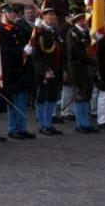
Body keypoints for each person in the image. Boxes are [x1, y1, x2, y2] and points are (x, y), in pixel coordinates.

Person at [0, 3, 35, 140]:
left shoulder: (16, 28)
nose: (13, 14)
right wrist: (22, 52)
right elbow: (5, 52)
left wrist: (36, 26)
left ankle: (22, 127)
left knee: (22, 101)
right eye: (10, 12)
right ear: (4, 13)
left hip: (21, 70)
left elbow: (28, 37)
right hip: (11, 70)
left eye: (14, 12)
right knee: (14, 102)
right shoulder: (2, 30)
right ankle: (13, 128)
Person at [27, 8, 63, 136]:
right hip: (44, 71)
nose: (52, 17)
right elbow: (36, 55)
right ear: (43, 18)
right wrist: (44, 70)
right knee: (43, 97)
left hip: (55, 69)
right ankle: (43, 124)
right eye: (49, 15)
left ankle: (49, 123)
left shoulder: (54, 32)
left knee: (53, 96)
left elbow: (59, 52)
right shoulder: (39, 33)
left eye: (54, 14)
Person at [65, 11, 99, 133]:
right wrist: (93, 60)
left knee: (87, 96)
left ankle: (86, 122)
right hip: (77, 68)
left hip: (86, 68)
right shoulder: (72, 33)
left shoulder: (86, 32)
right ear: (76, 21)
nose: (84, 20)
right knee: (80, 96)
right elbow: (76, 52)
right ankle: (81, 124)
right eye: (81, 19)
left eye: (84, 18)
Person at [96, 17, 105, 129]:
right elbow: (98, 56)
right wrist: (98, 71)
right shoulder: (101, 39)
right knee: (104, 96)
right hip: (104, 70)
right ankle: (102, 119)